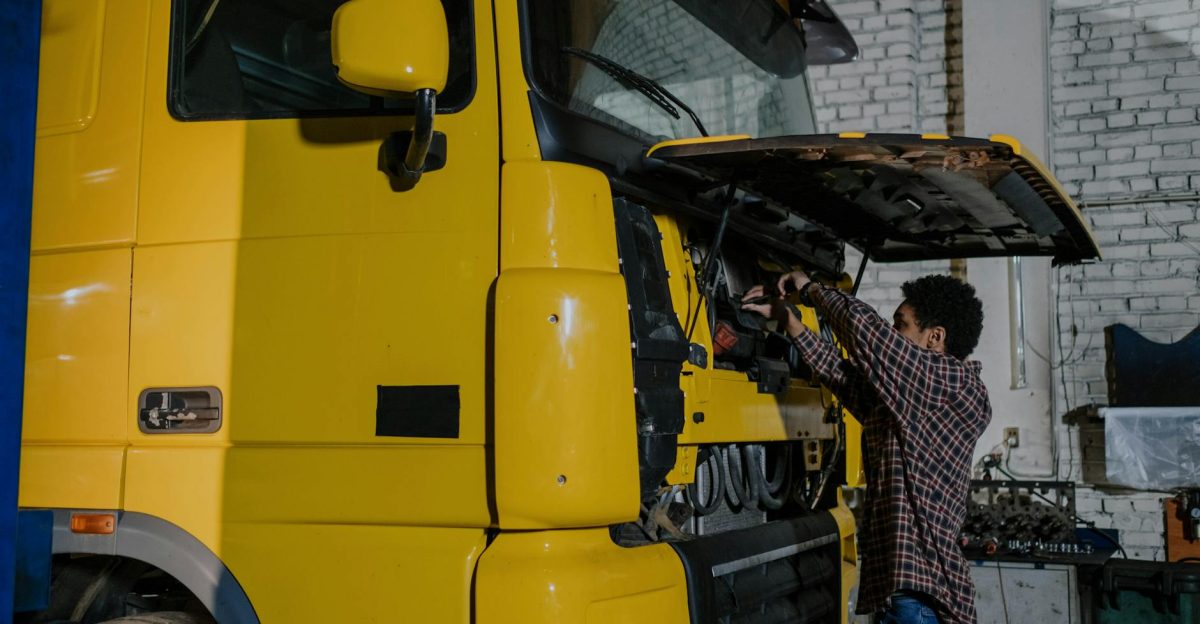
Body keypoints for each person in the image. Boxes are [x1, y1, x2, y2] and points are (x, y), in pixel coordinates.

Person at [742, 271, 990, 624]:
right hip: (903, 598)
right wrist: (790, 322)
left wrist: (812, 289)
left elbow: (868, 336)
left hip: (921, 600)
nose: (893, 335)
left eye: (901, 325)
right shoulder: (913, 401)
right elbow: (846, 378)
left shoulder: (954, 384)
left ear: (935, 337)